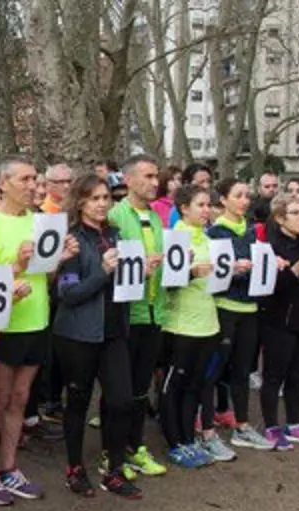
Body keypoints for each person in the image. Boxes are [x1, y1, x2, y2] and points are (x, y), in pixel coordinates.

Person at [54, 175, 141, 498]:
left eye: (106, 197)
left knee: (121, 401)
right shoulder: (73, 241)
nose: (103, 203)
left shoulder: (116, 236)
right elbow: (69, 293)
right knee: (77, 402)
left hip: (114, 331)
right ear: (80, 203)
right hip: (77, 334)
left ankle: (113, 469)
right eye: (94, 198)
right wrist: (102, 272)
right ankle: (75, 468)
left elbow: (123, 284)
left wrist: (137, 272)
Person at [0, 156, 50, 505]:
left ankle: (9, 466)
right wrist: (17, 265)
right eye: (25, 179)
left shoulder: (42, 221)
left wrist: (56, 259)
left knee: (20, 398)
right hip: (4, 324)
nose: (33, 185)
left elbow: (47, 275)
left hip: (38, 318)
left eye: (35, 178)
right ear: (3, 183)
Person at [106, 154, 168, 478]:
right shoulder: (115, 216)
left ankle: (135, 445)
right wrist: (142, 268)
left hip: (156, 312)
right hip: (128, 313)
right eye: (148, 176)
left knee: (142, 387)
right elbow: (112, 267)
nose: (155, 182)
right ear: (128, 180)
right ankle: (111, 451)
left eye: (156, 176)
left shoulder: (157, 218)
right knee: (120, 390)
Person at [204, 177, 272, 453]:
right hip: (225, 308)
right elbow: (215, 273)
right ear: (223, 200)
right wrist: (234, 268)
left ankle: (242, 425)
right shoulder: (216, 232)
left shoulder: (251, 230)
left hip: (250, 308)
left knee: (243, 371)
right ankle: (206, 430)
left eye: (247, 195)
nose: (245, 200)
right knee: (214, 371)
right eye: (238, 195)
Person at [256, 195, 299, 450]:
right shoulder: (270, 247)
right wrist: (295, 270)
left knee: (298, 375)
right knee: (274, 376)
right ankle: (271, 426)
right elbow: (270, 287)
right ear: (279, 218)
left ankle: (295, 423)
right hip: (279, 320)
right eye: (295, 213)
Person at [161, 184, 220, 469]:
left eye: (209, 205)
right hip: (180, 324)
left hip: (208, 322)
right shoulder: (176, 238)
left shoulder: (208, 239)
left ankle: (187, 439)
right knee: (176, 386)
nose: (207, 210)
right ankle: (174, 443)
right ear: (184, 208)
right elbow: (169, 282)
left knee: (196, 386)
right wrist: (191, 271)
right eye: (201, 205)